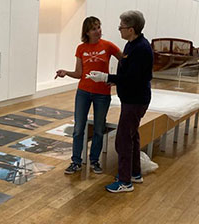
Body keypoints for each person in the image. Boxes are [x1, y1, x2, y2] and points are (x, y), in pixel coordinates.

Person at [86, 10, 153, 192]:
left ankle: (125, 182)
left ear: (131, 29)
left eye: (121, 27)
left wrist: (106, 77)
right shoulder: (132, 45)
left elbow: (132, 78)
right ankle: (134, 173)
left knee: (123, 139)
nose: (119, 30)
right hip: (131, 98)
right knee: (132, 135)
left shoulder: (140, 48)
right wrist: (107, 77)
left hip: (135, 100)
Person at [55, 16, 122, 174]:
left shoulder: (108, 46)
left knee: (99, 128)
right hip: (83, 93)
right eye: (94, 29)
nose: (98, 31)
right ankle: (76, 161)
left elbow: (125, 59)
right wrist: (66, 73)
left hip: (102, 94)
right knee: (79, 128)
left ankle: (94, 161)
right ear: (87, 32)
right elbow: (79, 73)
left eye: (99, 27)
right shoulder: (81, 48)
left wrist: (116, 79)